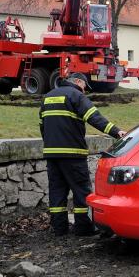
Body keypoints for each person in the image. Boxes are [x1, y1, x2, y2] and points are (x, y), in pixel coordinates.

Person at [39, 72, 126, 236]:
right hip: (73, 154)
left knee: (57, 192)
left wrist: (51, 145)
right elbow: (95, 118)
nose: (85, 90)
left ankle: (59, 229)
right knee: (81, 192)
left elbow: (42, 126)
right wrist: (117, 132)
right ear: (78, 82)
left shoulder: (47, 97)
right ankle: (83, 229)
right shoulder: (76, 95)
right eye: (85, 86)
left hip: (52, 154)